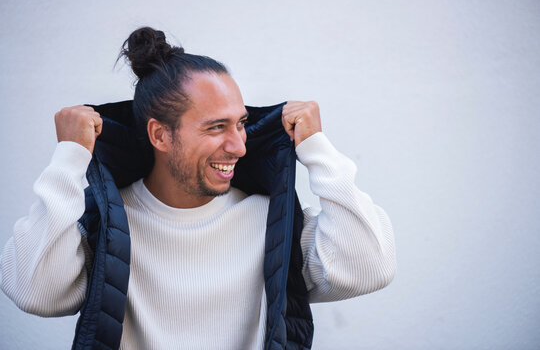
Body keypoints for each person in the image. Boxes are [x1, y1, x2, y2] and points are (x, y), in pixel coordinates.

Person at [0, 27, 396, 349]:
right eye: (215, 127)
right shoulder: (106, 221)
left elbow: (369, 267)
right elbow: (35, 292)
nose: (238, 146)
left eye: (240, 123)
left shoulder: (272, 219)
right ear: (160, 134)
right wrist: (70, 157)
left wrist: (316, 148)